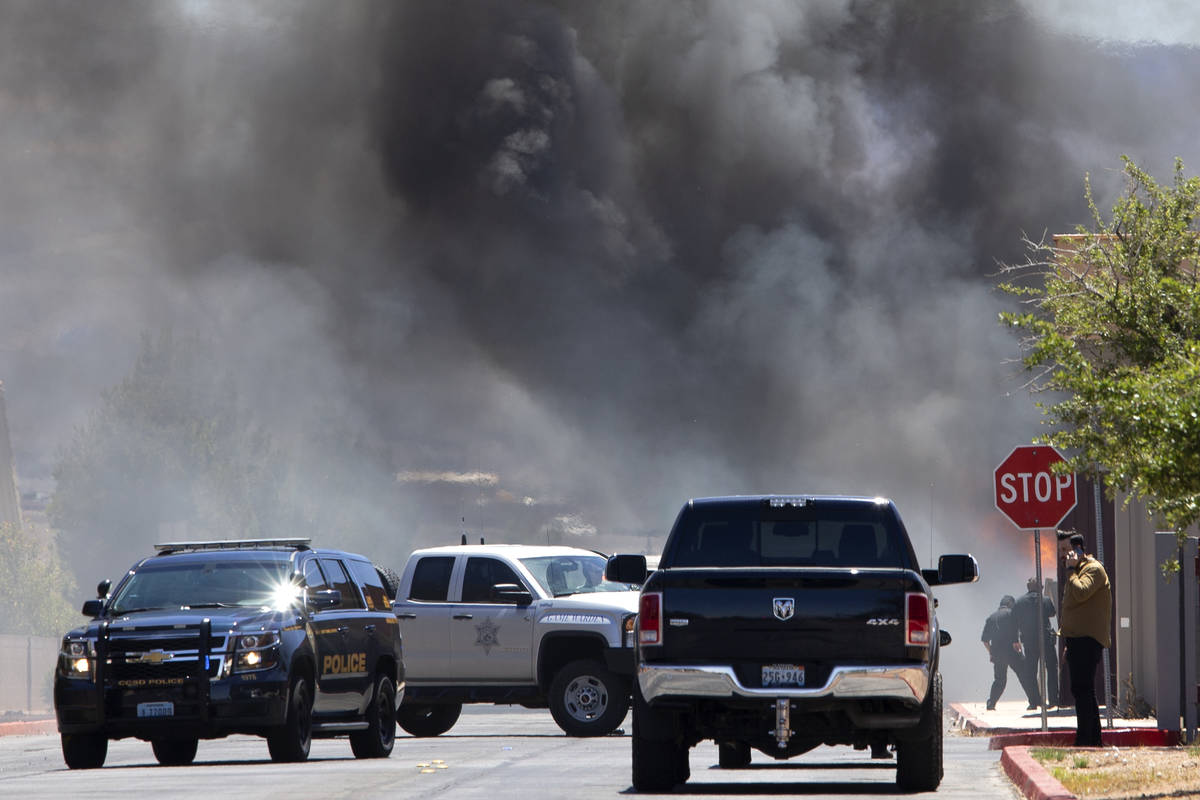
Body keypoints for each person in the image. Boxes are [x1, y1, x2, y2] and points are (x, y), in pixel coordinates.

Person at [1057, 531, 1112, 747]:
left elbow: (1081, 593)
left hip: (1088, 640)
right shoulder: (1077, 571)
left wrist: (1071, 570)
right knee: (1083, 690)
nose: (1062, 555)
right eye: (1060, 550)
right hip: (1077, 640)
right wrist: (1067, 643)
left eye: (1065, 550)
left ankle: (1085, 740)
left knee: (1082, 690)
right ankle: (1093, 740)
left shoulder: (1093, 569)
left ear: (1078, 549)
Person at [980, 594, 1041, 710]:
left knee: (1000, 680)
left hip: (998, 654)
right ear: (1010, 604)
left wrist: (991, 652)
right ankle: (1033, 702)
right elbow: (1017, 631)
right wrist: (1018, 644)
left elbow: (985, 640)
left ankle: (991, 703)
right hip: (1012, 652)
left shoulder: (991, 618)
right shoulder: (1012, 614)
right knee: (1024, 676)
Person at [1013, 576, 1060, 708]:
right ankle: (1053, 700)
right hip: (1046, 641)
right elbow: (1052, 613)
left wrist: (1015, 640)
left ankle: (1034, 701)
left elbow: (1014, 623)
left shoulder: (1019, 602)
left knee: (1031, 672)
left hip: (1030, 642)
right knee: (1051, 669)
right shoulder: (1045, 600)